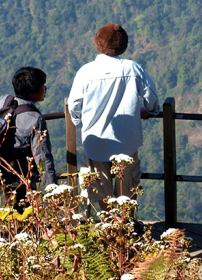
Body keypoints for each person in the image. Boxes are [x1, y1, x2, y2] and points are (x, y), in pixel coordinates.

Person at [68, 23, 159, 210]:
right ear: (123, 45)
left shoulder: (86, 72)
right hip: (127, 141)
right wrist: (149, 110)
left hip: (96, 140)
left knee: (100, 187)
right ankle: (126, 225)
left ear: (97, 43)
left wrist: (79, 121)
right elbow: (152, 98)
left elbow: (74, 104)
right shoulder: (132, 69)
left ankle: (109, 224)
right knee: (128, 185)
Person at [0, 66, 57, 205]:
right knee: (24, 216)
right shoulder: (35, 119)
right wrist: (52, 189)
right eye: (42, 86)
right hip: (20, 178)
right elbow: (42, 157)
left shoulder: (4, 100)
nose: (45, 88)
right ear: (32, 94)